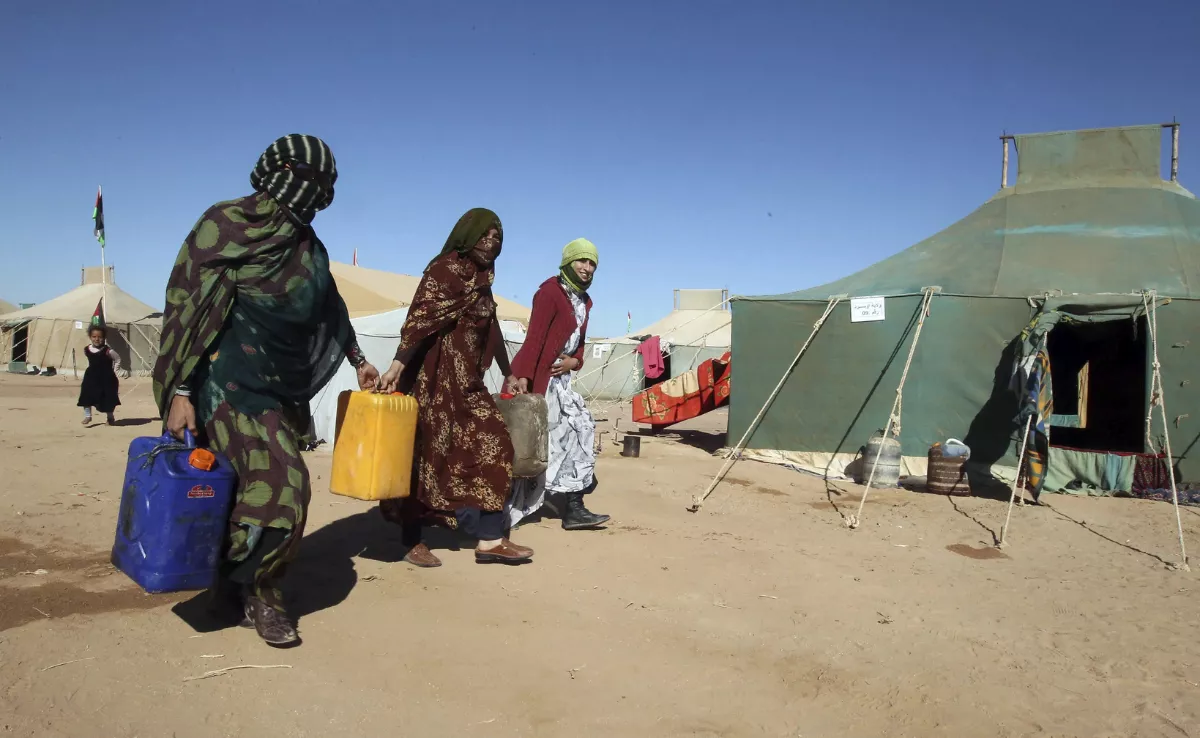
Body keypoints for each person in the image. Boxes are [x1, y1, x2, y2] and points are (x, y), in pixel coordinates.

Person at [153, 134, 379, 647]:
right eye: (310, 180)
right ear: (282, 174)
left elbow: (331, 310)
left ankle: (236, 588)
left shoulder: (308, 246)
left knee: (241, 489)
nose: (318, 193)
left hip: (274, 385)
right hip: (222, 382)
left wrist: (361, 361)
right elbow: (191, 309)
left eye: (326, 185)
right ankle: (260, 591)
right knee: (284, 482)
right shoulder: (226, 225)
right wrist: (182, 392)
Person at [378, 208, 533, 568]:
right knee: (425, 458)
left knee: (497, 444)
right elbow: (419, 323)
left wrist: (509, 373)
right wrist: (398, 364)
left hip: (468, 383)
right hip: (431, 384)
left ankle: (491, 539)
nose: (491, 244)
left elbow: (490, 330)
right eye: (485, 236)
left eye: (497, 240)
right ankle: (411, 539)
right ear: (467, 234)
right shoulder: (442, 271)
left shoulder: (483, 279)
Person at [505, 239, 610, 530]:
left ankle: (574, 506)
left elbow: (580, 348)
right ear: (567, 262)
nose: (587, 268)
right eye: (582, 261)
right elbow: (534, 338)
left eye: (592, 264)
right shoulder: (549, 292)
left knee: (581, 429)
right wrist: (524, 377)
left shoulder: (585, 301)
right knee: (530, 445)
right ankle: (500, 512)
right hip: (538, 380)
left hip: (562, 381)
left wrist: (574, 363)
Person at [78, 325, 122, 426]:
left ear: (104, 338)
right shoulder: (87, 349)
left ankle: (110, 417)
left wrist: (114, 371)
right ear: (90, 337)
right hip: (91, 377)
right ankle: (88, 416)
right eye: (94, 336)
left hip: (106, 378)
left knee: (107, 398)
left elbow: (118, 359)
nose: (97, 339)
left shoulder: (108, 351)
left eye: (100, 337)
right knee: (86, 395)